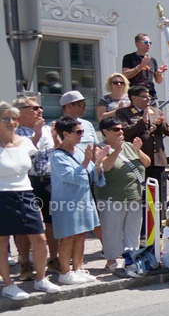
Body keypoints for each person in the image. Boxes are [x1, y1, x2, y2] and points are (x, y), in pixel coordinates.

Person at [0, 102, 60, 298]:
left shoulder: (26, 142)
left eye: (14, 118)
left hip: (26, 193)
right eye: (6, 118)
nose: (11, 122)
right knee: (1, 242)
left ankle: (41, 279)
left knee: (40, 238)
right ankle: (8, 284)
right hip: (2, 195)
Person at [49, 116, 105, 286]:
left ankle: (77, 269)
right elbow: (71, 177)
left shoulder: (80, 150)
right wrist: (87, 160)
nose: (82, 135)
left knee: (81, 235)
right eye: (79, 132)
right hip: (66, 202)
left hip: (84, 199)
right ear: (65, 134)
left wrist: (98, 163)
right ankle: (65, 272)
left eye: (83, 131)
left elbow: (92, 176)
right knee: (68, 237)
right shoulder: (57, 156)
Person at [95, 117, 150, 274]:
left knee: (132, 230)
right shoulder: (99, 148)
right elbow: (106, 167)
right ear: (106, 132)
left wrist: (138, 150)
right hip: (112, 197)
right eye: (116, 129)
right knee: (112, 229)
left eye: (121, 129)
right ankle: (111, 260)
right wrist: (116, 150)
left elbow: (147, 163)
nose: (121, 132)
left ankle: (131, 259)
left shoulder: (129, 145)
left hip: (134, 196)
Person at [12, 96, 58, 278]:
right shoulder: (13, 132)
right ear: (19, 112)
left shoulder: (47, 129)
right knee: (24, 225)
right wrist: (36, 134)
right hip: (26, 181)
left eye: (41, 107)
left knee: (51, 221)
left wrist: (55, 137)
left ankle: (53, 260)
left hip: (49, 180)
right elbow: (20, 155)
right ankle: (25, 263)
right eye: (34, 108)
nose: (40, 111)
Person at [116, 86, 169, 209]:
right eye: (144, 96)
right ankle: (143, 226)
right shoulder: (123, 113)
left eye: (149, 96)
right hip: (138, 160)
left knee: (159, 197)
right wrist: (142, 122)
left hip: (157, 160)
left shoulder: (156, 111)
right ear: (134, 98)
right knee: (142, 197)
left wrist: (161, 124)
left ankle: (158, 223)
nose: (148, 99)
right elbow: (125, 131)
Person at [121, 34, 167, 98]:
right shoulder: (129, 57)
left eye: (150, 42)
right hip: (135, 95)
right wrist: (140, 66)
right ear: (137, 44)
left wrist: (159, 73)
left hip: (150, 95)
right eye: (145, 42)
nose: (148, 44)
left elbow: (159, 81)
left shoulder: (152, 60)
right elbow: (125, 75)